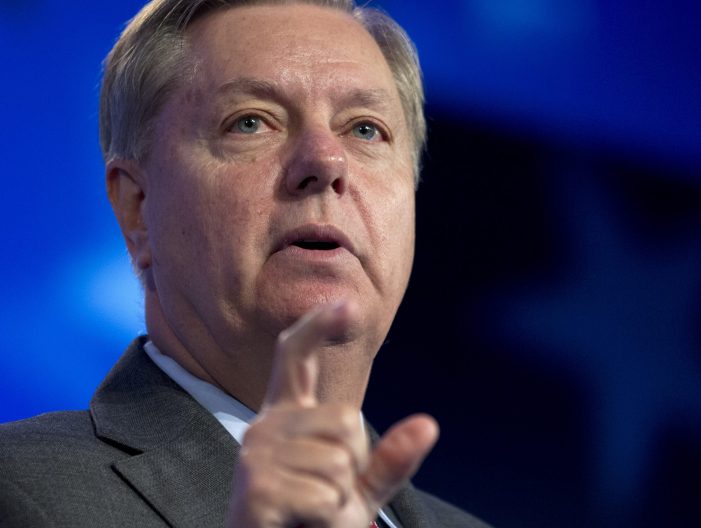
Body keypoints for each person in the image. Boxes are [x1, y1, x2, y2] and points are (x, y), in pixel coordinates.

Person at [0, 1, 491, 527]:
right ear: (137, 209)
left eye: (365, 130)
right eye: (251, 122)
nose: (327, 161)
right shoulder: (21, 491)